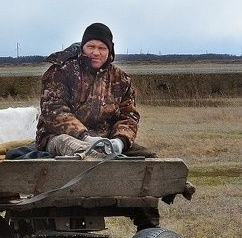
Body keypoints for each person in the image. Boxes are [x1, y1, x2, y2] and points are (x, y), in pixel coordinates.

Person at [35, 22, 155, 158]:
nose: (96, 53)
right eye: (91, 47)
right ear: (82, 48)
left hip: (105, 141)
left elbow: (128, 116)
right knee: (83, 151)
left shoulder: (121, 79)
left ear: (110, 51)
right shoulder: (61, 71)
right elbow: (54, 111)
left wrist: (120, 141)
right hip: (59, 137)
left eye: (102, 48)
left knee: (148, 158)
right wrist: (85, 137)